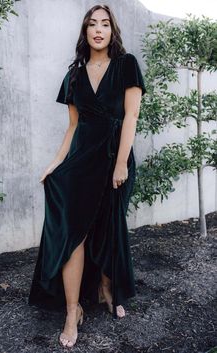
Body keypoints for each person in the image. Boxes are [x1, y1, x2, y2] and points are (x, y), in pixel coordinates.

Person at [28, 3, 146, 348]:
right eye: (92, 24)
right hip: (80, 163)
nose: (98, 30)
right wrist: (54, 163)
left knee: (110, 227)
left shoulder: (127, 66)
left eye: (105, 24)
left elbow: (131, 118)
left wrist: (122, 163)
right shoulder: (75, 75)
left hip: (114, 158)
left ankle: (107, 287)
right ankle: (71, 311)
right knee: (73, 236)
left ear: (112, 31)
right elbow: (73, 128)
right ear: (85, 32)